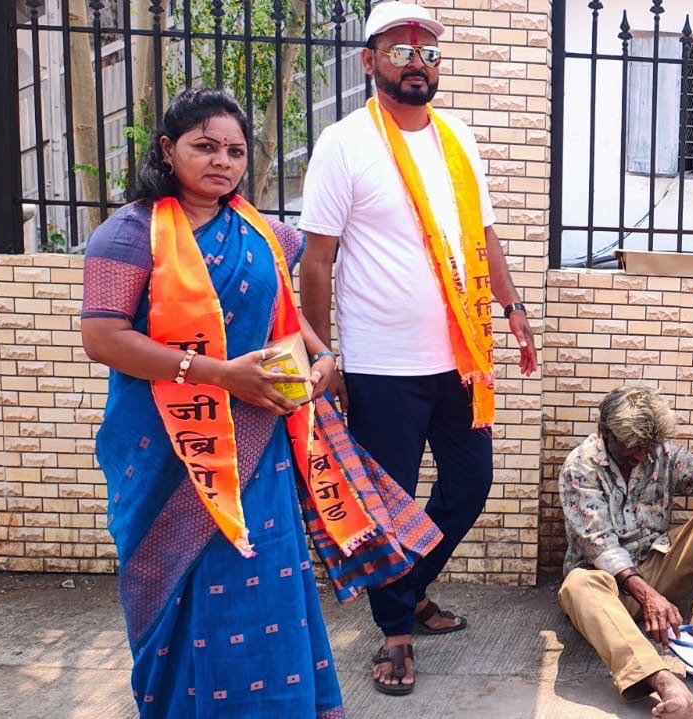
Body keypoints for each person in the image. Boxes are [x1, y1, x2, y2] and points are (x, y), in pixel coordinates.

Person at [81, 87, 441, 717]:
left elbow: (284, 321)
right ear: (167, 150)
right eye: (205, 146)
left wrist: (323, 358)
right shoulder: (129, 234)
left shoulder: (265, 234)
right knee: (177, 592)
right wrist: (219, 375)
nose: (222, 161)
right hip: (167, 447)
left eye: (235, 151)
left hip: (257, 446)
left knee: (264, 589)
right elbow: (104, 338)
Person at [298, 0, 538, 696]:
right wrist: (324, 356)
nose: (417, 64)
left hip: (460, 358)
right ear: (369, 61)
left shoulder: (457, 137)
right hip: (381, 366)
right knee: (388, 500)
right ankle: (397, 629)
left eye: (428, 53)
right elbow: (317, 261)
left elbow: (482, 237)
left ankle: (406, 585)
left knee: (470, 484)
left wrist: (514, 306)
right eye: (401, 51)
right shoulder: (344, 143)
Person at [557, 387, 693, 719]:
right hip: (610, 587)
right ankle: (664, 681)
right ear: (606, 433)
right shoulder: (580, 468)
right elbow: (599, 545)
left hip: (658, 566)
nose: (640, 456)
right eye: (631, 447)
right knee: (576, 586)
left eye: (646, 447)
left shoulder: (659, 453)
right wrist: (648, 597)